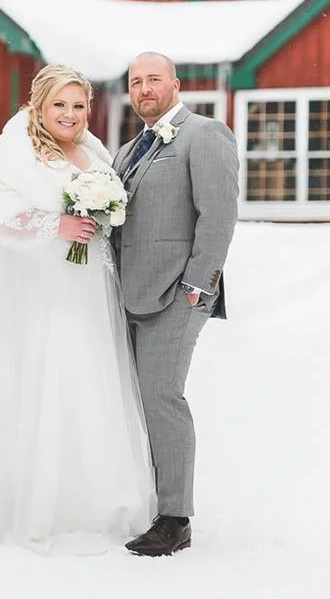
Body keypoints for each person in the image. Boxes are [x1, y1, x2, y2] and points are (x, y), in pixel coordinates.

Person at [0, 64, 156, 554]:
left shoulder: (94, 150)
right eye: (59, 105)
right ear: (39, 106)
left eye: (78, 105)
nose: (69, 114)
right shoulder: (17, 146)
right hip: (33, 287)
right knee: (35, 383)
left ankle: (86, 498)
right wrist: (53, 225)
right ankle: (25, 500)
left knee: (84, 383)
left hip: (86, 287)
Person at [112, 51, 240, 557]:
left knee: (162, 397)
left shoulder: (204, 135)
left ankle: (175, 518)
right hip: (126, 294)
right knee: (133, 400)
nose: (145, 88)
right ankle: (145, 499)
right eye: (136, 81)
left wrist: (199, 286)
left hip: (178, 295)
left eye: (153, 79)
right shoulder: (125, 153)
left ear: (175, 84)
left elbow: (219, 215)